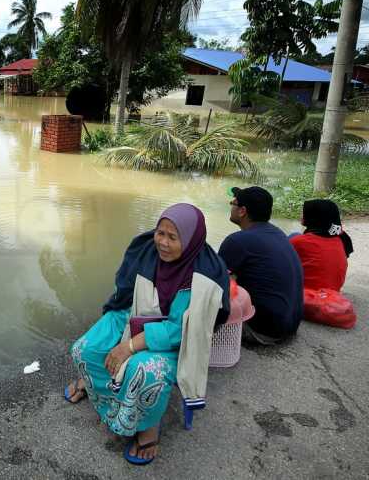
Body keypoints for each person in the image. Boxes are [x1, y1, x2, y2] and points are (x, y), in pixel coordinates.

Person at [64, 203, 229, 465]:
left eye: (173, 237)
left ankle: (147, 427)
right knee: (84, 349)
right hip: (136, 313)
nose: (162, 243)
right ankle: (105, 394)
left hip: (177, 340)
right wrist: (125, 333)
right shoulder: (146, 251)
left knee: (144, 370)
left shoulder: (204, 275)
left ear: (190, 239)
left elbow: (180, 329)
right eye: (160, 233)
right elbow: (125, 294)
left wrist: (129, 346)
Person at [218, 186, 303, 345]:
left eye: (233, 203)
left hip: (264, 331)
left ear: (242, 211)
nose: (231, 205)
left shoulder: (237, 241)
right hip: (290, 325)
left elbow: (211, 281)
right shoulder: (278, 234)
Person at [289, 199, 353, 291]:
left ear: (315, 217)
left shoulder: (299, 241)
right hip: (333, 291)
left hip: (306, 295)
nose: (301, 216)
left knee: (293, 236)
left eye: (305, 213)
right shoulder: (342, 237)